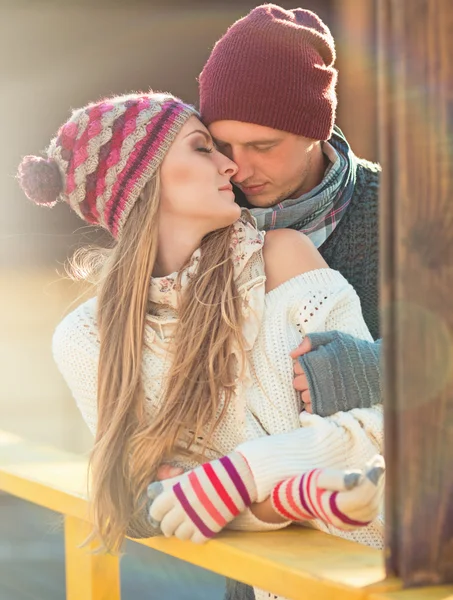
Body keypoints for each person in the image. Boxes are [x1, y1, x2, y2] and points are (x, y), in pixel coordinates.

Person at [17, 91, 384, 600]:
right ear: (145, 184)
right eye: (202, 147)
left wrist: (240, 477)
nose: (229, 166)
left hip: (387, 570)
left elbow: (379, 436)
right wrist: (274, 502)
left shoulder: (284, 259)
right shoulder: (87, 339)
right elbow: (148, 498)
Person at [198, 3, 382, 422]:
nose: (237, 169)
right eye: (222, 146)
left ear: (315, 132)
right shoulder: (202, 213)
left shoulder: (401, 211)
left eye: (263, 147)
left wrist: (379, 369)